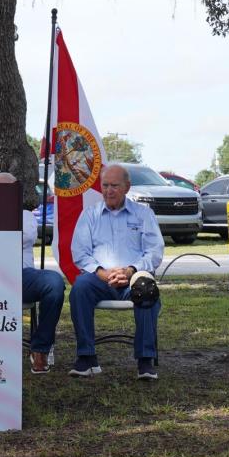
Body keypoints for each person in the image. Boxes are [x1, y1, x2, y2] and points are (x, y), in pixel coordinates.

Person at [68, 163, 164, 381]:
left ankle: (145, 361)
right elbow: (80, 253)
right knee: (79, 288)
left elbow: (154, 252)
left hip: (133, 278)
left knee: (147, 289)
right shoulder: (90, 215)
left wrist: (131, 271)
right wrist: (102, 273)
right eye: (105, 185)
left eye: (114, 186)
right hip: (99, 279)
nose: (108, 190)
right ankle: (86, 357)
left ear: (127, 187)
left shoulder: (143, 214)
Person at [0, 172, 66, 374]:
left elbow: (23, 236)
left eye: (9, 190)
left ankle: (40, 349)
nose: (3, 194)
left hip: (21, 276)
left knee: (54, 282)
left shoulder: (25, 216)